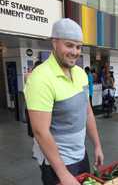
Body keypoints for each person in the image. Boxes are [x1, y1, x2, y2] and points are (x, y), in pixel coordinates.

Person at [24, 18, 104, 185]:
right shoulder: (40, 78)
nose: (75, 51)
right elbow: (40, 132)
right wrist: (63, 174)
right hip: (58, 162)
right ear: (54, 43)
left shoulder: (81, 74)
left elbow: (87, 112)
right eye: (69, 45)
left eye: (78, 47)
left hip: (81, 154)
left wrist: (97, 145)